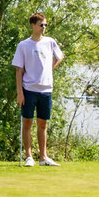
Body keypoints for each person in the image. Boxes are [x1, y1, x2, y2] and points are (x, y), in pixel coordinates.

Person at [13, 12, 64, 167]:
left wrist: (50, 69)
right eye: (41, 25)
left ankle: (43, 158)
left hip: (46, 89)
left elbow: (60, 56)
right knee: (27, 123)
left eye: (45, 25)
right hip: (28, 89)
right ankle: (29, 157)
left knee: (43, 124)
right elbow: (19, 71)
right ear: (33, 25)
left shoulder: (50, 42)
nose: (44, 28)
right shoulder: (23, 45)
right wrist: (20, 93)